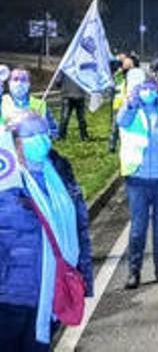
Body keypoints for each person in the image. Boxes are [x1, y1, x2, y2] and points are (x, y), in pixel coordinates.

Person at [0, 112, 93, 351]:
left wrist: (85, 279)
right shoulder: (7, 180)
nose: (40, 139)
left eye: (43, 132)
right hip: (11, 297)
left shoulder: (60, 171)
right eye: (31, 134)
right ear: (15, 141)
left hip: (53, 290)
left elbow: (79, 227)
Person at [117, 76, 158, 289]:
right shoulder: (132, 110)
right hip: (138, 178)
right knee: (138, 227)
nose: (148, 91)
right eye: (143, 88)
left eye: (151, 87)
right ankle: (134, 272)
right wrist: (131, 103)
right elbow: (121, 121)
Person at [1, 68, 59, 139]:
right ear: (9, 83)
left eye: (23, 80)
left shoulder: (40, 104)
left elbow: (54, 130)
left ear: (29, 84)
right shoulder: (2, 102)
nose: (19, 83)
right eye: (15, 79)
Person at [109, 56, 134, 153]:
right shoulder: (119, 76)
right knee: (115, 126)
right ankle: (112, 145)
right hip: (119, 104)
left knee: (124, 127)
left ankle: (121, 145)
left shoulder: (131, 76)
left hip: (126, 104)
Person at [58, 74, 90, 141]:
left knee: (65, 117)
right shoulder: (81, 67)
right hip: (80, 94)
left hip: (67, 94)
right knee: (81, 117)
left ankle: (61, 136)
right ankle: (84, 135)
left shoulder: (65, 67)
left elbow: (58, 81)